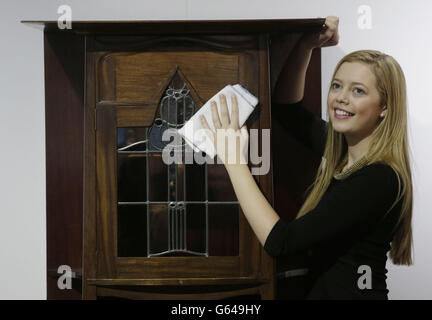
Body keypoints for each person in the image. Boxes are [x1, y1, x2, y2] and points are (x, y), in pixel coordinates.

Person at [199, 16, 413, 299]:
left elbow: (281, 242)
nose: (341, 98)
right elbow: (288, 112)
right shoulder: (341, 151)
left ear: (384, 106)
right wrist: (306, 47)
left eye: (357, 90)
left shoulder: (379, 177)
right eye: (337, 86)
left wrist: (233, 160)